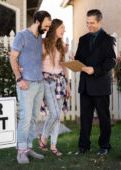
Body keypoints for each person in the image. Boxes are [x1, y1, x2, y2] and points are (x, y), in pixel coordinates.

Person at [9, 10, 52, 164]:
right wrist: (19, 78)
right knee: (25, 118)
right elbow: (12, 57)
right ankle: (20, 151)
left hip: (39, 83)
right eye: (46, 26)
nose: (47, 29)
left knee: (34, 118)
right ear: (37, 21)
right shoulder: (21, 36)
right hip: (25, 83)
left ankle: (28, 147)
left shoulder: (39, 37)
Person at [74, 9, 116, 156]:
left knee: (104, 118)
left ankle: (105, 146)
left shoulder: (107, 39)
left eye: (92, 23)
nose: (89, 25)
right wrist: (74, 62)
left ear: (100, 22)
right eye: (87, 22)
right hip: (85, 85)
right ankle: (83, 146)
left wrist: (95, 70)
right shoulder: (83, 39)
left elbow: (111, 61)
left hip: (100, 86)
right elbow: (78, 57)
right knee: (85, 119)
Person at [37, 19, 71, 156]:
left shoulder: (60, 46)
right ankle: (43, 139)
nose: (64, 30)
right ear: (54, 28)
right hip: (47, 81)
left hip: (60, 82)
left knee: (57, 116)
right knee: (55, 114)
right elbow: (36, 63)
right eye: (62, 27)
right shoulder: (43, 43)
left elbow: (63, 66)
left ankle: (53, 145)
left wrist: (68, 84)